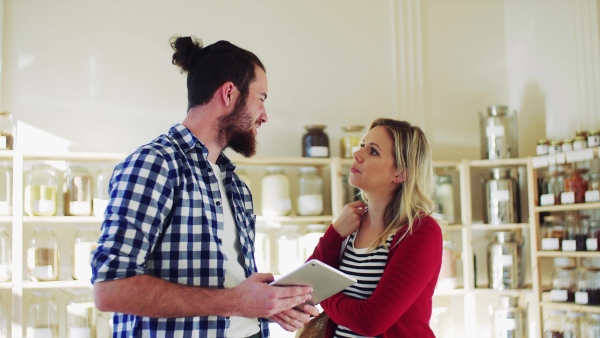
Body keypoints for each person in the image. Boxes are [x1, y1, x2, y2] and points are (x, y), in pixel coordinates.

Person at [91, 36, 318, 338]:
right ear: (228, 93)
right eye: (261, 98)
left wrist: (268, 304)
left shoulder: (236, 185)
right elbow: (111, 290)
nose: (264, 116)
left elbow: (232, 287)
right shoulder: (155, 164)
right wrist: (237, 302)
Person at [307, 118, 443, 337]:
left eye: (373, 152)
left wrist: (323, 293)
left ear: (400, 174)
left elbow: (371, 321)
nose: (356, 154)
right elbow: (308, 280)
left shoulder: (420, 231)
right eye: (362, 145)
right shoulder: (351, 223)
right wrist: (334, 233)